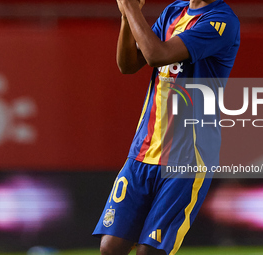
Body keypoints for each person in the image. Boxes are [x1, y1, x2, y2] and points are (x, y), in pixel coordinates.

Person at [93, 0, 240, 254]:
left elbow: (156, 55)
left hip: (188, 158)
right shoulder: (174, 11)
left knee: (149, 252)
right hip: (143, 150)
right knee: (110, 247)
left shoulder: (221, 22)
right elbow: (127, 65)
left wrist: (130, 7)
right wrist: (127, 18)